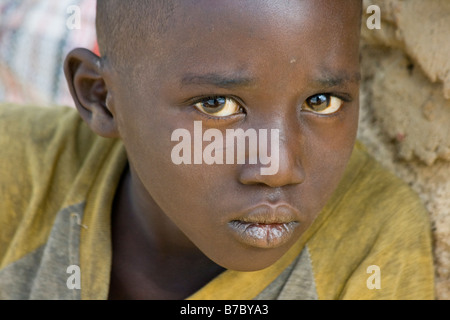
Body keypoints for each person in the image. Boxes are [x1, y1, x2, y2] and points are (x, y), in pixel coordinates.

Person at [0, 0, 435, 300]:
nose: (278, 168)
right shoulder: (18, 166)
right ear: (100, 97)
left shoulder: (371, 237)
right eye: (217, 105)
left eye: (321, 102)